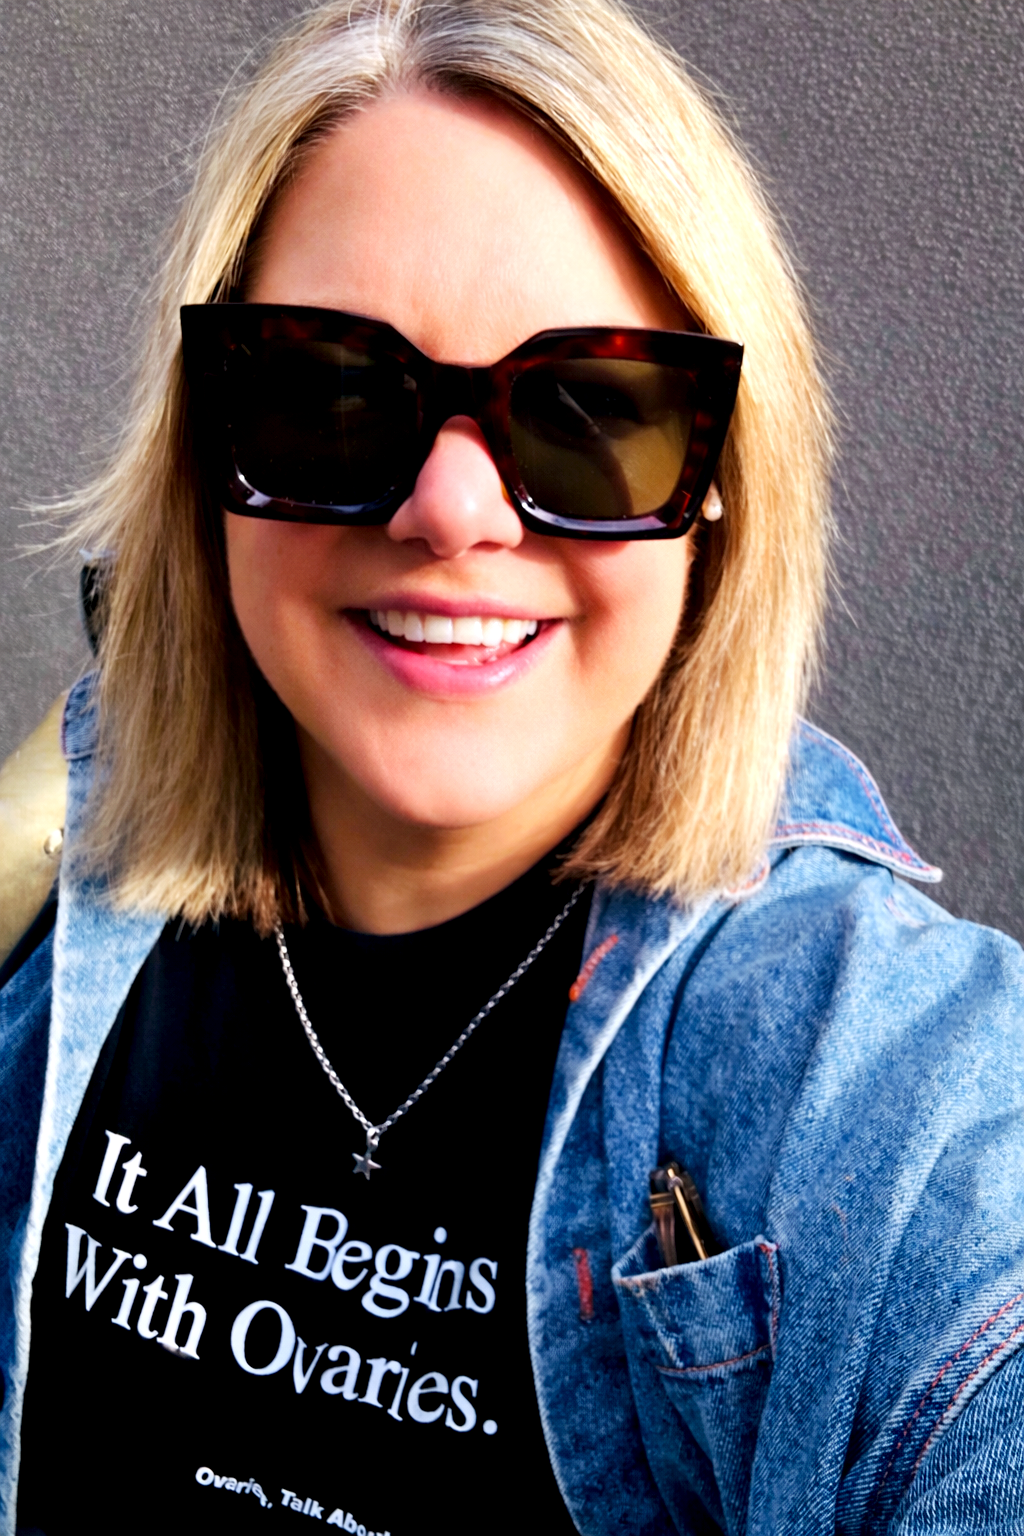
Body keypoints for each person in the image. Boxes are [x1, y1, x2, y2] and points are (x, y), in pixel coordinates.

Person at [1, 0, 1022, 1531]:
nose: (453, 510)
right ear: (207, 454)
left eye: (590, 411)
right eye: (329, 390)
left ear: (720, 490)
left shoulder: (872, 1070)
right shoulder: (62, 862)